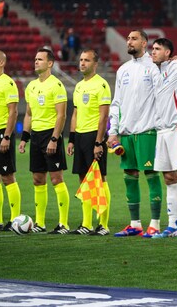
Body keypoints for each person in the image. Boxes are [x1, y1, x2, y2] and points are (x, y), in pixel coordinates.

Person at [108, 29, 163, 238]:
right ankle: (135, 224)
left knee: (151, 175)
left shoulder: (155, 68)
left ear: (145, 43)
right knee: (129, 176)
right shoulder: (123, 70)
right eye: (128, 39)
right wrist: (113, 132)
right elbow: (117, 103)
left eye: (134, 39)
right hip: (127, 133)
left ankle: (155, 224)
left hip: (148, 131)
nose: (129, 42)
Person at [18, 48, 70, 234]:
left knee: (56, 178)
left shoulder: (56, 85)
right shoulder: (31, 86)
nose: (36, 62)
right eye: (35, 59)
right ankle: (39, 223)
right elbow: (29, 114)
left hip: (51, 135)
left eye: (40, 59)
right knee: (38, 179)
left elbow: (61, 116)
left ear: (50, 63)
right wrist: (25, 137)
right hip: (36, 136)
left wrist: (55, 139)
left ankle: (63, 223)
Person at [66, 49, 111, 236]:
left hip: (95, 135)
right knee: (84, 179)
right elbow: (75, 114)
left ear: (95, 64)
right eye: (81, 60)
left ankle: (104, 225)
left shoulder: (101, 85)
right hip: (81, 136)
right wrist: (72, 139)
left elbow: (104, 116)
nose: (82, 63)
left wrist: (99, 142)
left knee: (99, 180)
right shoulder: (79, 86)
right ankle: (86, 224)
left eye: (87, 60)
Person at [149, 38, 177, 238]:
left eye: (157, 49)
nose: (153, 52)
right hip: (161, 131)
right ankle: (172, 225)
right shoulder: (155, 72)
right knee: (169, 178)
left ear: (168, 52)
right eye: (152, 49)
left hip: (175, 129)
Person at [0, 50, 21, 231]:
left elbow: (13, 112)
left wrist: (7, 136)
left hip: (1, 133)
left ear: (2, 62)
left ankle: (15, 219)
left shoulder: (8, 83)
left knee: (7, 177)